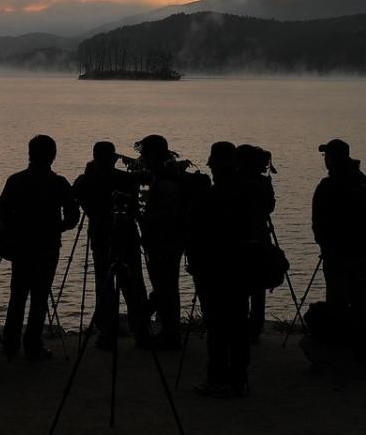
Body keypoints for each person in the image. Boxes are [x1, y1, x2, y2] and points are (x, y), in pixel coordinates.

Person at [0, 134, 79, 360]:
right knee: (40, 297)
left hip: (21, 247)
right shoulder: (59, 183)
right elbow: (72, 217)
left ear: (30, 154)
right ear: (53, 156)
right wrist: (54, 228)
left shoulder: (15, 180)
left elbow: (1, 214)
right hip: (48, 248)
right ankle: (33, 345)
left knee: (17, 296)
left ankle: (10, 345)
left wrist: (18, 227)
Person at [72, 141, 152, 350]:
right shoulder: (127, 179)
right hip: (127, 234)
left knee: (104, 284)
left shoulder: (85, 181)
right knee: (134, 284)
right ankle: (142, 332)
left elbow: (77, 197)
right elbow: (134, 208)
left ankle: (107, 334)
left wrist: (88, 174)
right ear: (114, 158)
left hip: (100, 236)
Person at [189, 141, 251, 398]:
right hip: (241, 267)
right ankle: (238, 378)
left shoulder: (209, 196)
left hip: (214, 269)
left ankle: (217, 378)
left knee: (217, 326)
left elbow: (194, 233)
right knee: (238, 325)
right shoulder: (249, 193)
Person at [311, 138, 366, 360]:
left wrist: (323, 242)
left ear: (332, 158)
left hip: (335, 251)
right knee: (359, 294)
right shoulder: (364, 183)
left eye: (326, 156)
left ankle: (339, 339)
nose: (325, 160)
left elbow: (318, 220)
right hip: (360, 250)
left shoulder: (329, 185)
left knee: (337, 295)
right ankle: (361, 340)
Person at [137, 134, 203, 349]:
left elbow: (167, 214)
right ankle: (166, 329)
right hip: (171, 241)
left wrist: (142, 217)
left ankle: (169, 334)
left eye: (144, 154)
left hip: (165, 241)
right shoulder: (167, 174)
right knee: (165, 286)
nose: (141, 159)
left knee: (166, 287)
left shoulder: (166, 181)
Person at [235, 144, 276, 343]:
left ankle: (241, 326)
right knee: (257, 287)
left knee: (241, 286)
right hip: (261, 237)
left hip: (240, 240)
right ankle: (255, 328)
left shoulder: (235, 183)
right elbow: (269, 207)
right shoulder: (262, 183)